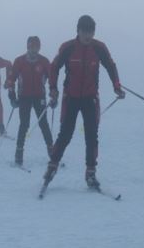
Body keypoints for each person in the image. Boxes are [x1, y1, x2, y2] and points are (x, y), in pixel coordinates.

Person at [44, 15, 125, 188]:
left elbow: (110, 66)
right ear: (78, 31)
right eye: (85, 32)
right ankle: (52, 166)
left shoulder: (99, 48)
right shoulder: (68, 47)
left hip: (90, 98)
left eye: (91, 32)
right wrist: (53, 89)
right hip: (70, 98)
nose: (88, 36)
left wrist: (116, 85)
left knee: (91, 135)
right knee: (65, 134)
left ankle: (90, 173)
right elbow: (54, 67)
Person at [5, 36, 53, 165]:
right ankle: (19, 153)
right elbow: (11, 78)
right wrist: (12, 95)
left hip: (40, 97)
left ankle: (53, 153)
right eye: (31, 47)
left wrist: (54, 95)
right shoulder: (19, 61)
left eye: (36, 47)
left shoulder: (44, 61)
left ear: (39, 47)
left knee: (44, 124)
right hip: (24, 97)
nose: (33, 50)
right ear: (27, 47)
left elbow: (52, 79)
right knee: (24, 125)